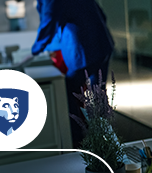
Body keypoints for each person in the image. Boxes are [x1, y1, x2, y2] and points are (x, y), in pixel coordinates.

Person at [31, 0, 114, 148]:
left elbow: (49, 20)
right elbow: (102, 14)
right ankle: (105, 139)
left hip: (83, 49)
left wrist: (35, 50)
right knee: (98, 93)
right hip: (103, 43)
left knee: (68, 90)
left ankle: (77, 139)